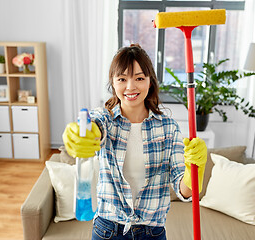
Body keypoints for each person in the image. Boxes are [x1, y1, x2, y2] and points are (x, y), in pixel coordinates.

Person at [63, 44, 207, 240]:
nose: (130, 87)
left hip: (152, 233)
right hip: (107, 230)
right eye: (122, 79)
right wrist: (84, 133)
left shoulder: (168, 127)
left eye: (139, 78)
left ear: (150, 82)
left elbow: (185, 191)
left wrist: (194, 170)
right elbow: (96, 127)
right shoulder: (105, 119)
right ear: (113, 83)